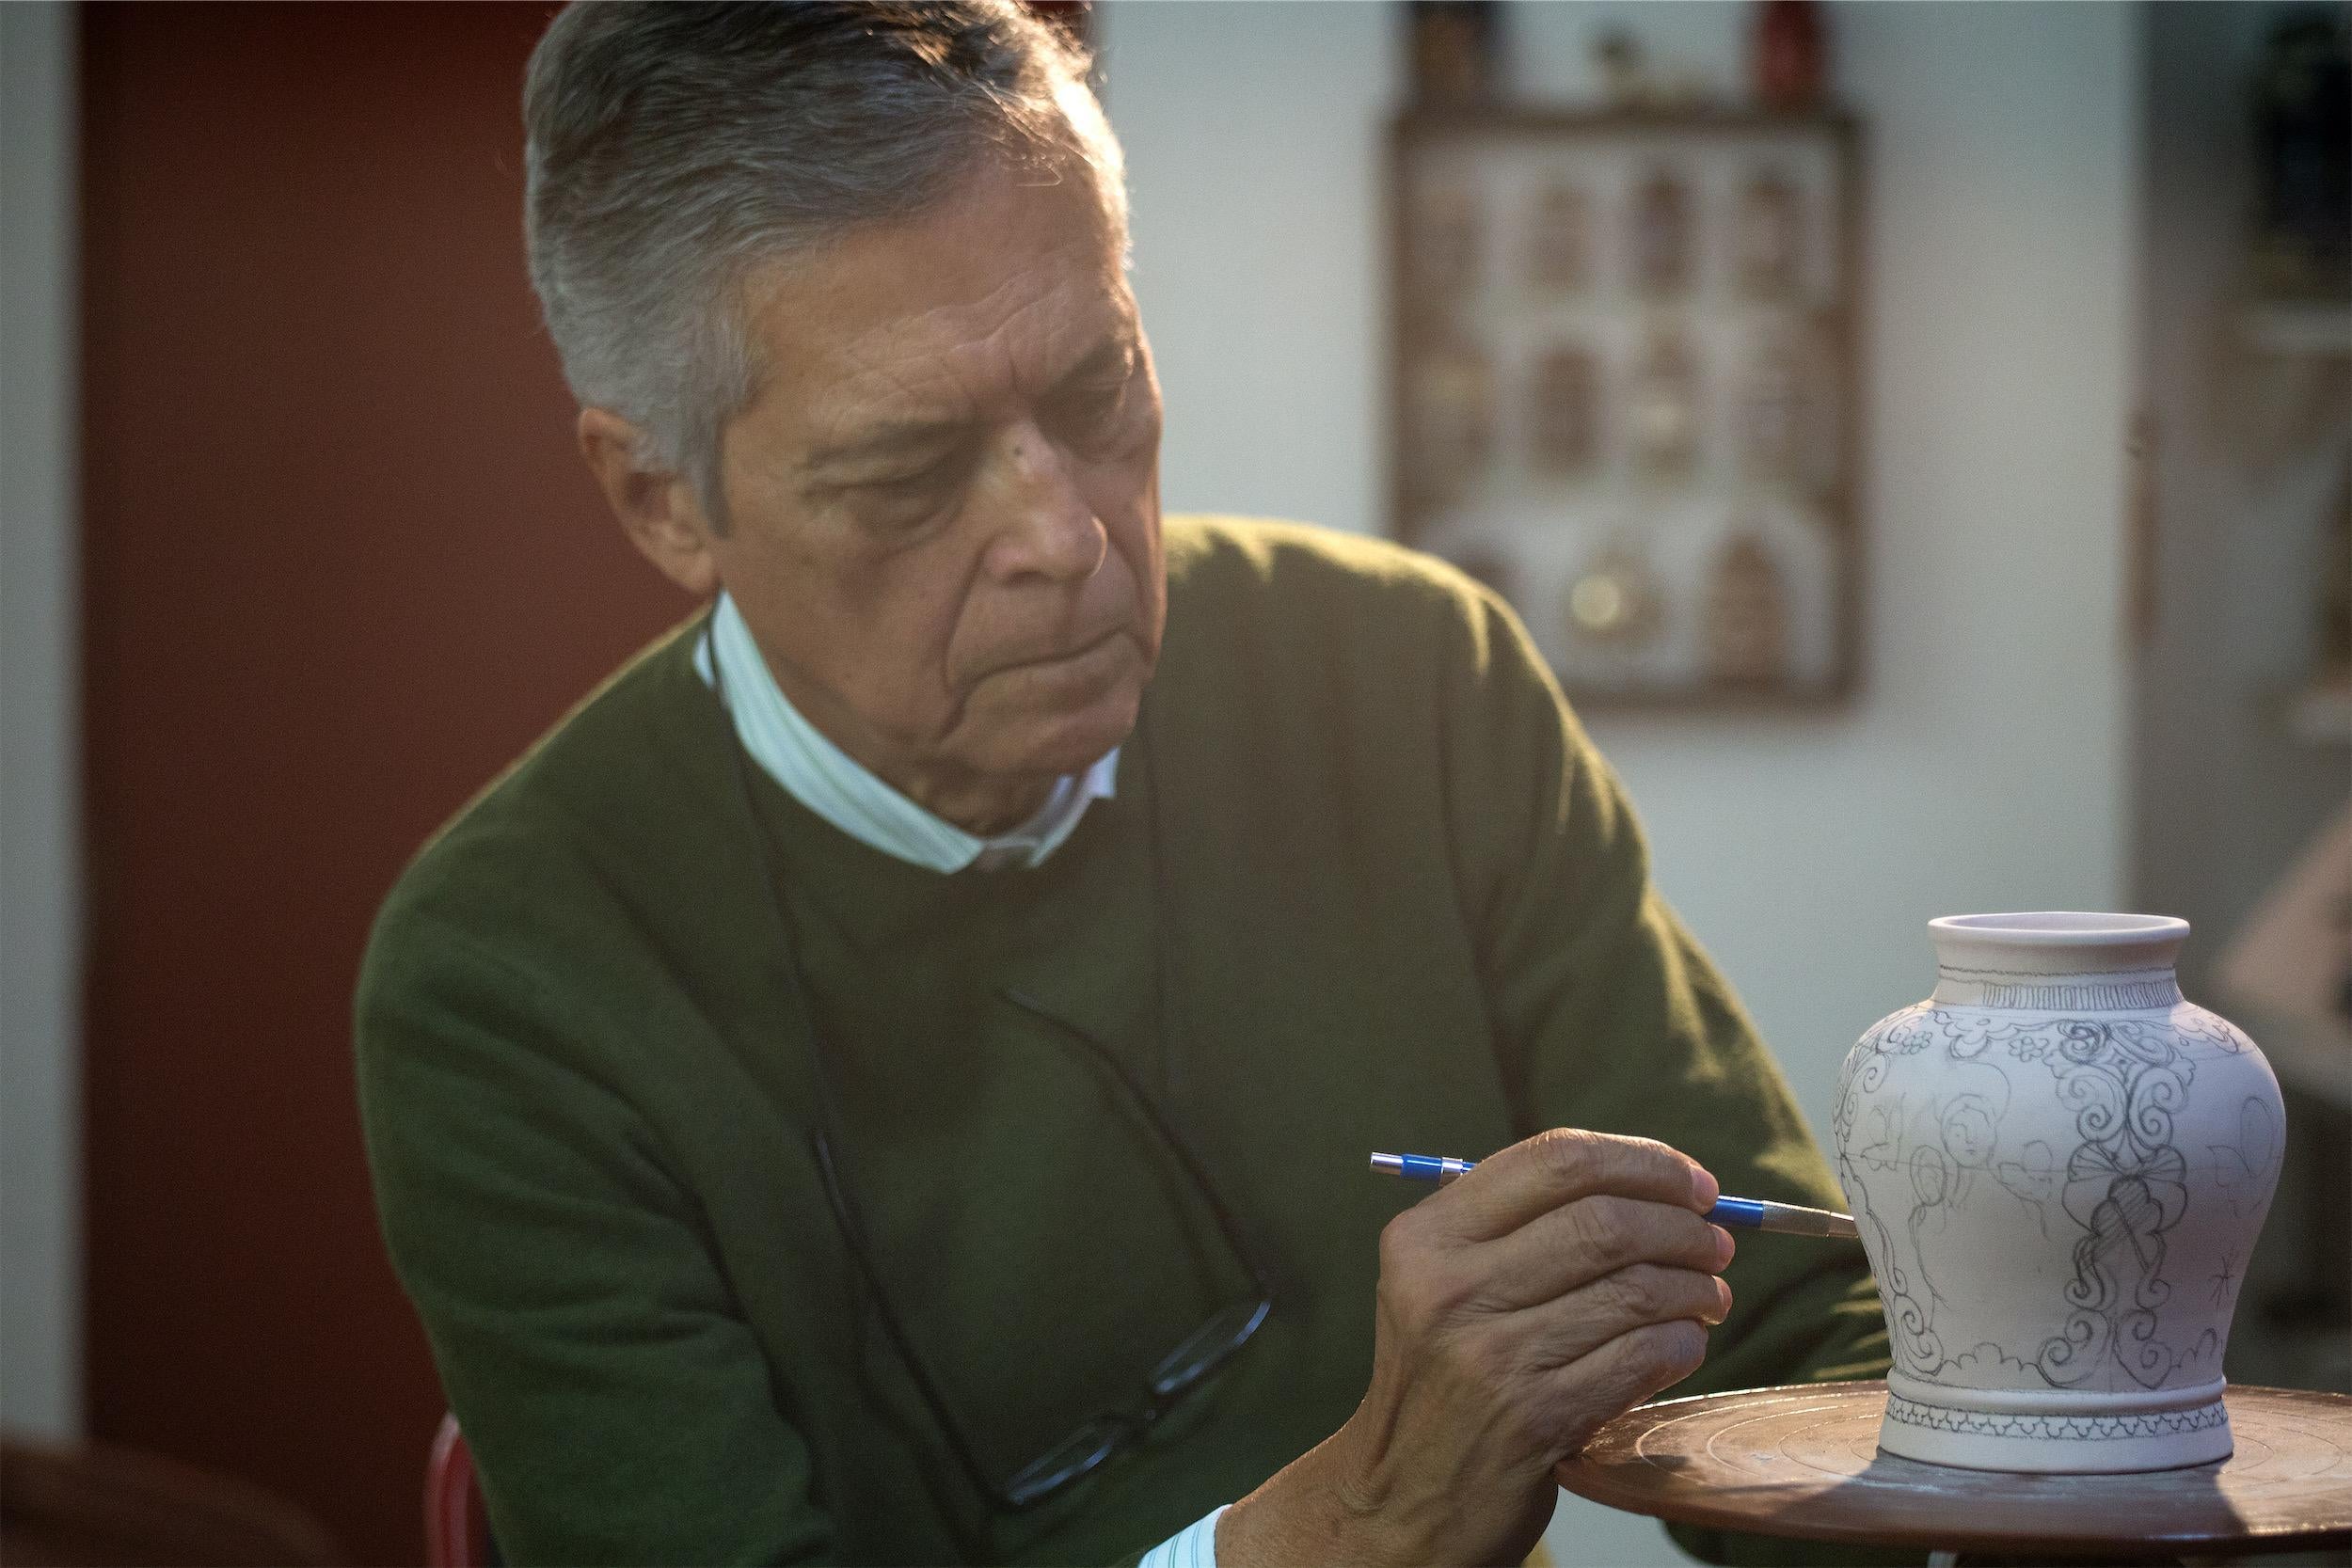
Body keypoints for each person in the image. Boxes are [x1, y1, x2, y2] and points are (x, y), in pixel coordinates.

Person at [355, 5, 1889, 1564]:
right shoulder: (508, 981)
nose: (1068, 537)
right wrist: (1359, 1525)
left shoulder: (1405, 682)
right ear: (661, 498)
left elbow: (1793, 1336)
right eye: (907, 473)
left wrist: (2043, 1431)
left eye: (1099, 397)